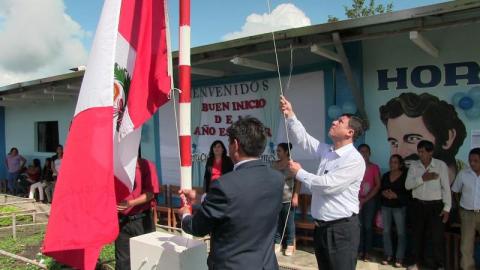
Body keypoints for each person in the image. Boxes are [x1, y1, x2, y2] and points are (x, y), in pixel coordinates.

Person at [179, 116, 284, 270]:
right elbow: (243, 202)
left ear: (235, 144)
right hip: (266, 265)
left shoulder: (224, 185)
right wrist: (202, 198)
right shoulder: (276, 179)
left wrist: (186, 214)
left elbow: (198, 228)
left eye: (228, 142)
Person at [280, 95, 366, 270]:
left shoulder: (354, 159)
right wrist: (290, 114)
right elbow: (304, 139)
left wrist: (300, 173)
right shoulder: (328, 150)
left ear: (350, 133)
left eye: (340, 121)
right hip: (321, 228)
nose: (334, 122)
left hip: (341, 230)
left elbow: (328, 185)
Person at [379, 92, 466, 183]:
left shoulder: (466, 178)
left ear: (447, 138)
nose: (400, 153)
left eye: (412, 139)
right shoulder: (402, 179)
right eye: (394, 143)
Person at [405, 140, 451, 270]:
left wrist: (447, 208)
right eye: (419, 152)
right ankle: (417, 263)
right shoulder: (414, 166)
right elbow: (407, 185)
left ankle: (439, 265)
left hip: (436, 206)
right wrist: (423, 178)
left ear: (430, 152)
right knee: (417, 236)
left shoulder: (440, 165)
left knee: (437, 237)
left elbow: (446, 188)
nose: (420, 154)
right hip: (418, 205)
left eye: (423, 152)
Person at [114, 151, 160, 270]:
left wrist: (130, 203)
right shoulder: (116, 167)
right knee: (122, 262)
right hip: (121, 220)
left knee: (147, 258)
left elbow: (150, 194)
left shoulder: (146, 165)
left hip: (141, 219)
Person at [451, 148, 480, 270]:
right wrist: (459, 207)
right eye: (470, 160)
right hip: (467, 214)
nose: (472, 163)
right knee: (466, 246)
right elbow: (455, 191)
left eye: (476, 160)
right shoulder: (463, 173)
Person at [272, 142, 301, 257]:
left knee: (289, 223)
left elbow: (299, 182)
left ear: (286, 152)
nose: (277, 153)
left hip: (288, 199)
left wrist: (296, 196)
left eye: (279, 151)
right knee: (277, 222)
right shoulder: (274, 164)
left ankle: (290, 244)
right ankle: (277, 243)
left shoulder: (293, 165)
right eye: (277, 151)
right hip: (276, 199)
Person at [380, 154, 409, 268]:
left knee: (401, 233)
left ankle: (399, 257)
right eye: (391, 162)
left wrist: (396, 196)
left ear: (400, 164)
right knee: (386, 231)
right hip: (386, 206)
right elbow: (381, 188)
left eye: (395, 162)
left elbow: (408, 194)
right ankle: (388, 254)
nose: (392, 164)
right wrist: (384, 193)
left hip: (399, 208)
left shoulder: (405, 176)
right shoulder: (386, 175)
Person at [357, 143, 381, 262]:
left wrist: (365, 200)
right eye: (361, 151)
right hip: (356, 201)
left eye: (366, 151)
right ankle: (360, 250)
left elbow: (377, 186)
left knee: (367, 226)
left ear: (369, 153)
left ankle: (368, 252)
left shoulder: (374, 167)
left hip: (370, 201)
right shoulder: (354, 167)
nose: (363, 154)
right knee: (358, 226)